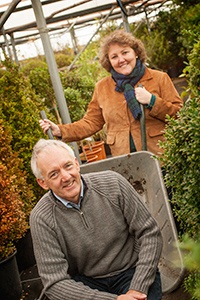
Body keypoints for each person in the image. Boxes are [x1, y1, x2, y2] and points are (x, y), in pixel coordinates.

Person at [30, 138, 163, 300]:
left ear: (77, 164)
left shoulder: (113, 184)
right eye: (54, 174)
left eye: (68, 166)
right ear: (42, 183)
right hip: (86, 283)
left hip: (133, 271)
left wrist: (137, 288)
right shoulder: (41, 218)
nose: (65, 177)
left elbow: (150, 233)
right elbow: (55, 282)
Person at [39, 29, 183, 157]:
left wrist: (152, 101)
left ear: (136, 53)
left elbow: (179, 115)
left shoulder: (159, 78)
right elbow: (91, 123)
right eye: (114, 57)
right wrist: (60, 130)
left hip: (159, 156)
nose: (121, 60)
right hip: (125, 161)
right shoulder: (102, 88)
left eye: (125, 52)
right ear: (109, 61)